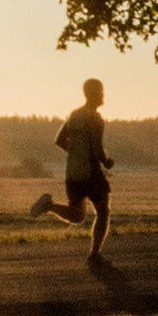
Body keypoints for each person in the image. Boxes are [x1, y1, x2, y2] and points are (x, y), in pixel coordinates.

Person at [38, 76, 116, 255]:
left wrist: (75, 153)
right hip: (91, 172)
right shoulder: (95, 119)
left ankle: (48, 206)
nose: (103, 95)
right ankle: (94, 254)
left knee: (77, 215)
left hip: (73, 172)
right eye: (101, 92)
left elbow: (59, 140)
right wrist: (107, 162)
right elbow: (97, 149)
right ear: (95, 94)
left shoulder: (75, 115)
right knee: (103, 211)